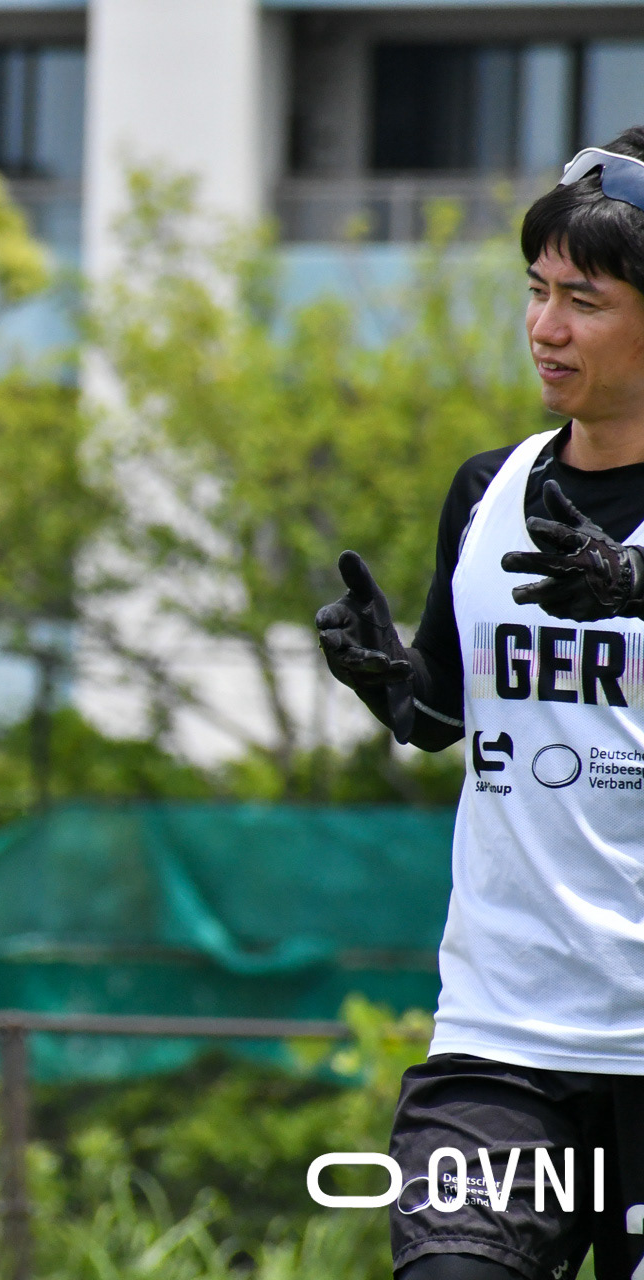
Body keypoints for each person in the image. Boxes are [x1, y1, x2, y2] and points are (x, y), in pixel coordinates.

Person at [316, 127, 644, 1280]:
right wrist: (389, 681)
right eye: (537, 290)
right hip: (502, 1039)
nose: (546, 327)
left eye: (584, 301)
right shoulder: (490, 489)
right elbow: (445, 717)